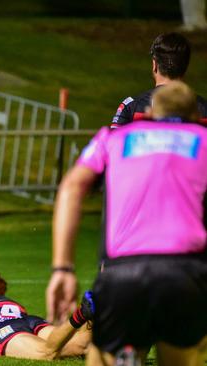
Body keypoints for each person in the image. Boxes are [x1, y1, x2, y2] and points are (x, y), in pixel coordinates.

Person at [47, 81, 207, 365]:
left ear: (151, 112)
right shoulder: (202, 139)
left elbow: (72, 187)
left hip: (124, 273)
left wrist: (63, 267)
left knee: (100, 355)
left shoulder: (114, 138)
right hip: (185, 274)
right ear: (195, 116)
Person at [110, 32, 207, 128]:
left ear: (154, 65)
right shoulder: (204, 108)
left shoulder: (131, 106)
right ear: (186, 66)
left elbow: (113, 141)